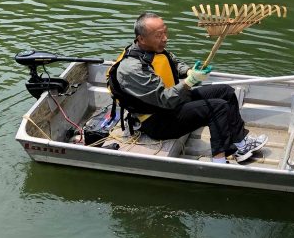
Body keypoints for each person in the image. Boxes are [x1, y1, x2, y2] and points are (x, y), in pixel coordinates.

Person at [107, 12, 267, 163]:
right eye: (158, 35)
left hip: (173, 104)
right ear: (141, 39)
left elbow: (174, 63)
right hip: (156, 121)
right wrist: (190, 81)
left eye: (165, 32)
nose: (165, 38)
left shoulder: (153, 49)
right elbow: (165, 100)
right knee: (218, 108)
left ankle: (240, 144)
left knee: (225, 91)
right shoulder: (132, 68)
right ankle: (219, 160)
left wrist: (189, 72)